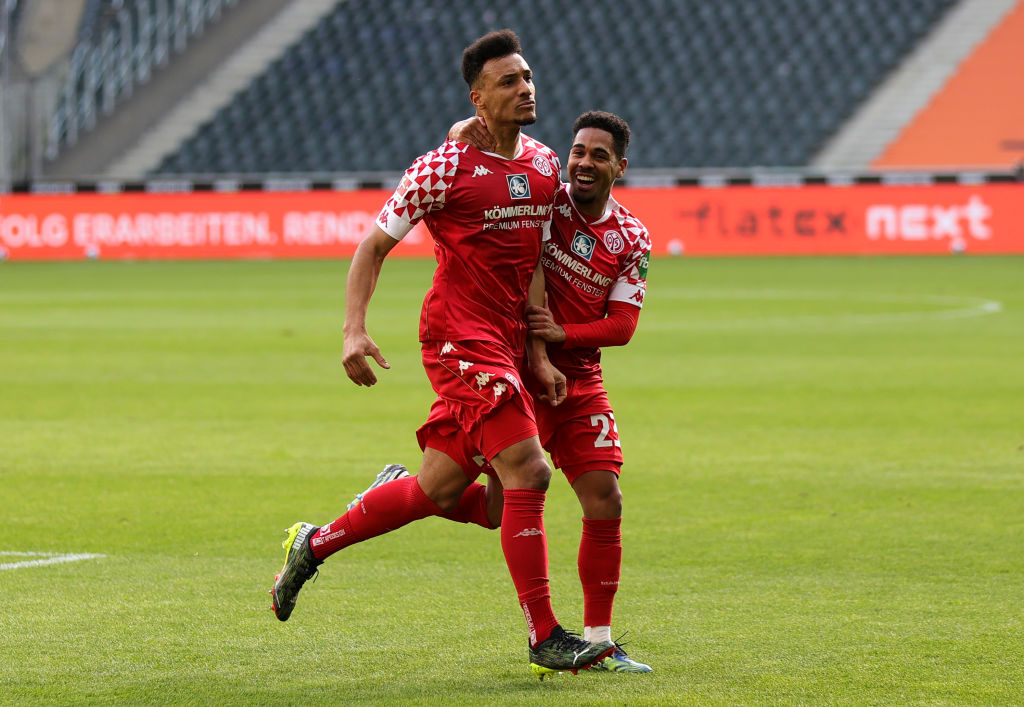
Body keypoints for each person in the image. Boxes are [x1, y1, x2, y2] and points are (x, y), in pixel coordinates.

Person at [269, 29, 615, 678]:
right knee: (530, 471)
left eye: (528, 76)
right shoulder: (441, 167)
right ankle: (545, 636)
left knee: (458, 495)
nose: (526, 88)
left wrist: (540, 353)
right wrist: (353, 330)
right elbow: (372, 247)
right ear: (478, 97)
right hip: (459, 338)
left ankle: (314, 544)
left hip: (508, 344)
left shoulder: (545, 165)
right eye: (509, 81)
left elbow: (536, 263)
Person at [365, 110, 653, 672]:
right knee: (477, 501)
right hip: (513, 367)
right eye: (578, 151)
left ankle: (600, 641)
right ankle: (397, 491)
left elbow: (622, 325)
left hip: (579, 380)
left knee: (606, 498)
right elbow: (486, 149)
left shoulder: (633, 237)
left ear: (619, 167)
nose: (583, 163)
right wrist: (458, 129)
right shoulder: (543, 197)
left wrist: (563, 334)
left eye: (598, 155)